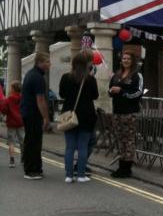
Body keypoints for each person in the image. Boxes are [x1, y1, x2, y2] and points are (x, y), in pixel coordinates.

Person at [58, 52, 99, 183]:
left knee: (69, 147)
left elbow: (62, 94)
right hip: (86, 115)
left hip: (70, 115)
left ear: (73, 64)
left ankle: (69, 175)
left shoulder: (65, 77)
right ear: (87, 64)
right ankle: (81, 175)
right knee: (83, 146)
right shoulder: (90, 79)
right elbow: (95, 96)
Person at [108, 51, 144, 178]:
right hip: (117, 111)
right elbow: (110, 90)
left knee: (128, 140)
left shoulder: (137, 75)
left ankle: (126, 168)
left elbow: (139, 92)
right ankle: (121, 165)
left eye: (128, 58)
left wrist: (122, 91)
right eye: (124, 58)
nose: (126, 60)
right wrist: (111, 91)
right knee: (120, 139)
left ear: (132, 61)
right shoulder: (116, 75)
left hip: (130, 113)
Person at [20, 51, 51, 180]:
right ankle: (31, 170)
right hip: (33, 113)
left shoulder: (30, 74)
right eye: (47, 62)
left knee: (30, 141)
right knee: (34, 142)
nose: (50, 64)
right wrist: (46, 117)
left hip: (27, 112)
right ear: (40, 63)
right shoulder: (38, 78)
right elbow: (40, 100)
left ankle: (34, 168)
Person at [0, 81, 25, 168]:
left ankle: (12, 160)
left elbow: (3, 110)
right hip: (21, 122)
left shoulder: (9, 99)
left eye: (11, 87)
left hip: (11, 122)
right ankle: (23, 158)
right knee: (23, 141)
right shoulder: (23, 98)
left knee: (11, 142)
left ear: (13, 89)